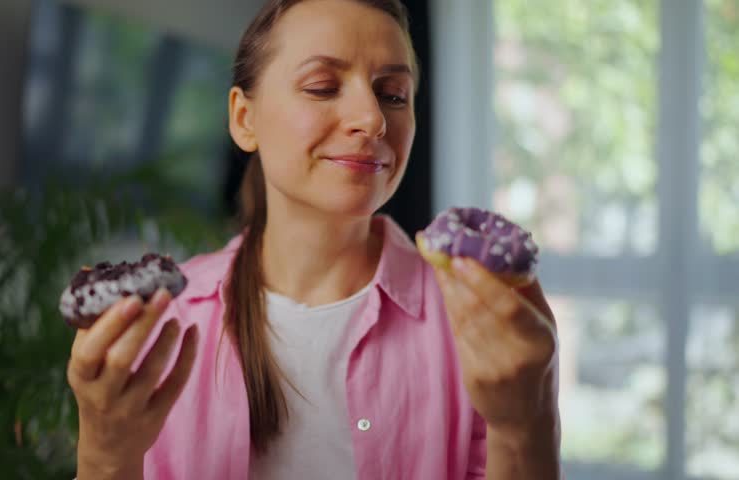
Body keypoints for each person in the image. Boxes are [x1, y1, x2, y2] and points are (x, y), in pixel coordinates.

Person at [66, 0, 562, 478]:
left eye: (393, 94)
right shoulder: (166, 322)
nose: (372, 119)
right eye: (323, 86)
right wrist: (105, 457)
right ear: (244, 118)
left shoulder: (483, 325)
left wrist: (525, 426)